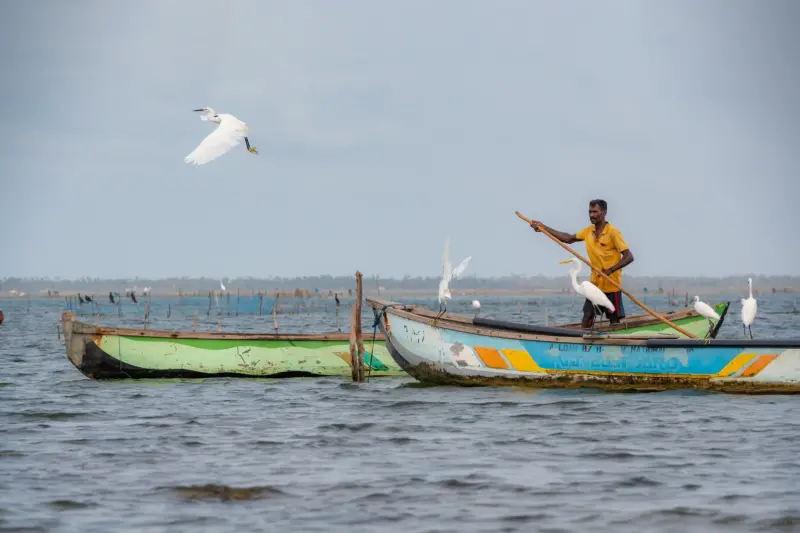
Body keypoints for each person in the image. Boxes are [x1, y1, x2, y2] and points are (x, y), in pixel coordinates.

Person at [530, 199, 634, 328]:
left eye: (595, 212)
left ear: (604, 212)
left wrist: (611, 269)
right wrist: (543, 228)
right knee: (587, 318)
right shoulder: (588, 231)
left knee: (614, 322)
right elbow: (568, 238)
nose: (591, 215)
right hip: (595, 286)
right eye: (590, 212)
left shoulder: (613, 233)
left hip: (612, 285)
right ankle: (583, 344)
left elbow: (629, 257)